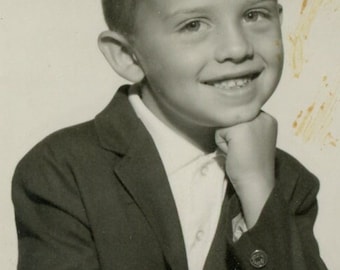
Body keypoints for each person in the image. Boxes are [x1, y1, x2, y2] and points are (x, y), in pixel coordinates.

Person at [12, 0, 327, 269]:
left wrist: (258, 191)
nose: (238, 47)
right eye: (193, 25)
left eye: (253, 14)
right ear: (128, 56)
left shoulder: (288, 181)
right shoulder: (62, 170)